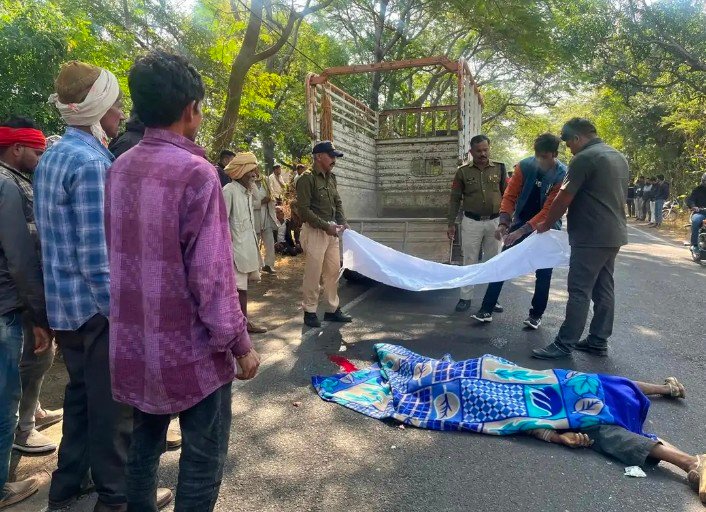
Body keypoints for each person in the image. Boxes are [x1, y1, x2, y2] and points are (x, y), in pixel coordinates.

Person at [106, 51, 259, 512]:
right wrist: (240, 344)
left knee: (143, 447)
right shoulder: (197, 173)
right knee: (202, 457)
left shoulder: (119, 167)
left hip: (136, 343)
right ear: (191, 109)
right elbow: (211, 277)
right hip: (192, 349)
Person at [314, 343, 706, 505]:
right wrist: (556, 436)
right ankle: (691, 463)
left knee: (595, 384)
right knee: (606, 432)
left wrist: (553, 432)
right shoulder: (446, 390)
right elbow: (510, 417)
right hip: (520, 400)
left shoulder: (454, 368)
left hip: (526, 379)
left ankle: (665, 389)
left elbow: (505, 378)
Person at [34, 60, 172, 511]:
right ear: (96, 108)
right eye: (114, 105)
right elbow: (98, 258)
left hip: (65, 307)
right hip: (96, 311)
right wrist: (123, 315)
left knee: (80, 399)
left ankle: (66, 487)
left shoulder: (54, 155)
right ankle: (118, 499)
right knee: (115, 411)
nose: (120, 113)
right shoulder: (92, 163)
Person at [532, 118, 629, 360]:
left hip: (590, 235)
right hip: (613, 233)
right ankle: (598, 340)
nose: (569, 149)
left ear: (577, 138)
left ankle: (564, 343)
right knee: (604, 287)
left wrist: (546, 224)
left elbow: (564, 197)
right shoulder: (618, 156)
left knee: (579, 290)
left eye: (568, 143)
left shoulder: (584, 158)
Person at [0, 118, 62, 458]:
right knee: (27, 364)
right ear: (17, 148)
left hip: (19, 292)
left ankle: (31, 413)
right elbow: (20, 254)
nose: (41, 159)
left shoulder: (17, 179)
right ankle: (21, 429)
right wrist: (39, 313)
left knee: (35, 359)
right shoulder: (7, 184)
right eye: (37, 153)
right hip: (15, 295)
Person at [471, 133, 567, 329]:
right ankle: (486, 309)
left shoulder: (562, 174)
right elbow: (510, 196)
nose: (540, 161)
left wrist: (522, 231)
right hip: (520, 220)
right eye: (537, 156)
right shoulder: (524, 166)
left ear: (554, 154)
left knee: (544, 272)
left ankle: (535, 315)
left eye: (544, 157)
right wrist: (504, 223)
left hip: (547, 226)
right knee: (503, 264)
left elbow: (549, 209)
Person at [447, 134, 507, 313]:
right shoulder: (462, 172)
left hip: (494, 222)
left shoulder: (500, 168)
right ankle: (465, 298)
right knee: (469, 260)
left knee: (494, 261)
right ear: (471, 152)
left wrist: (507, 220)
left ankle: (492, 299)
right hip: (471, 222)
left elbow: (507, 195)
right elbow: (455, 199)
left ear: (489, 148)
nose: (483, 154)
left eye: (485, 150)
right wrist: (451, 223)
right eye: (479, 151)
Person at [296, 141, 352, 328]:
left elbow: (337, 202)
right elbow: (304, 211)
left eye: (335, 156)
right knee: (313, 273)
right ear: (319, 157)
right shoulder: (306, 179)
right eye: (331, 156)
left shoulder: (331, 178)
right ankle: (310, 311)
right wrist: (324, 226)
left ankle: (332, 309)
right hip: (315, 232)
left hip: (331, 231)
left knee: (333, 272)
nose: (334, 160)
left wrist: (342, 221)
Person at [222, 152, 268, 334]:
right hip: (234, 250)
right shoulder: (229, 190)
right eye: (251, 171)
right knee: (238, 289)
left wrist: (253, 181)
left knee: (243, 288)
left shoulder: (247, 191)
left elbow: (258, 199)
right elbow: (222, 223)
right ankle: (241, 326)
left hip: (246, 247)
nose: (254, 174)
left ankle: (243, 323)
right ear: (241, 172)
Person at [686, 173, 706, 257]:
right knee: (696, 221)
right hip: (700, 212)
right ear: (702, 180)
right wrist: (693, 206)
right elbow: (690, 200)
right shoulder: (697, 190)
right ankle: (694, 245)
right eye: (705, 181)